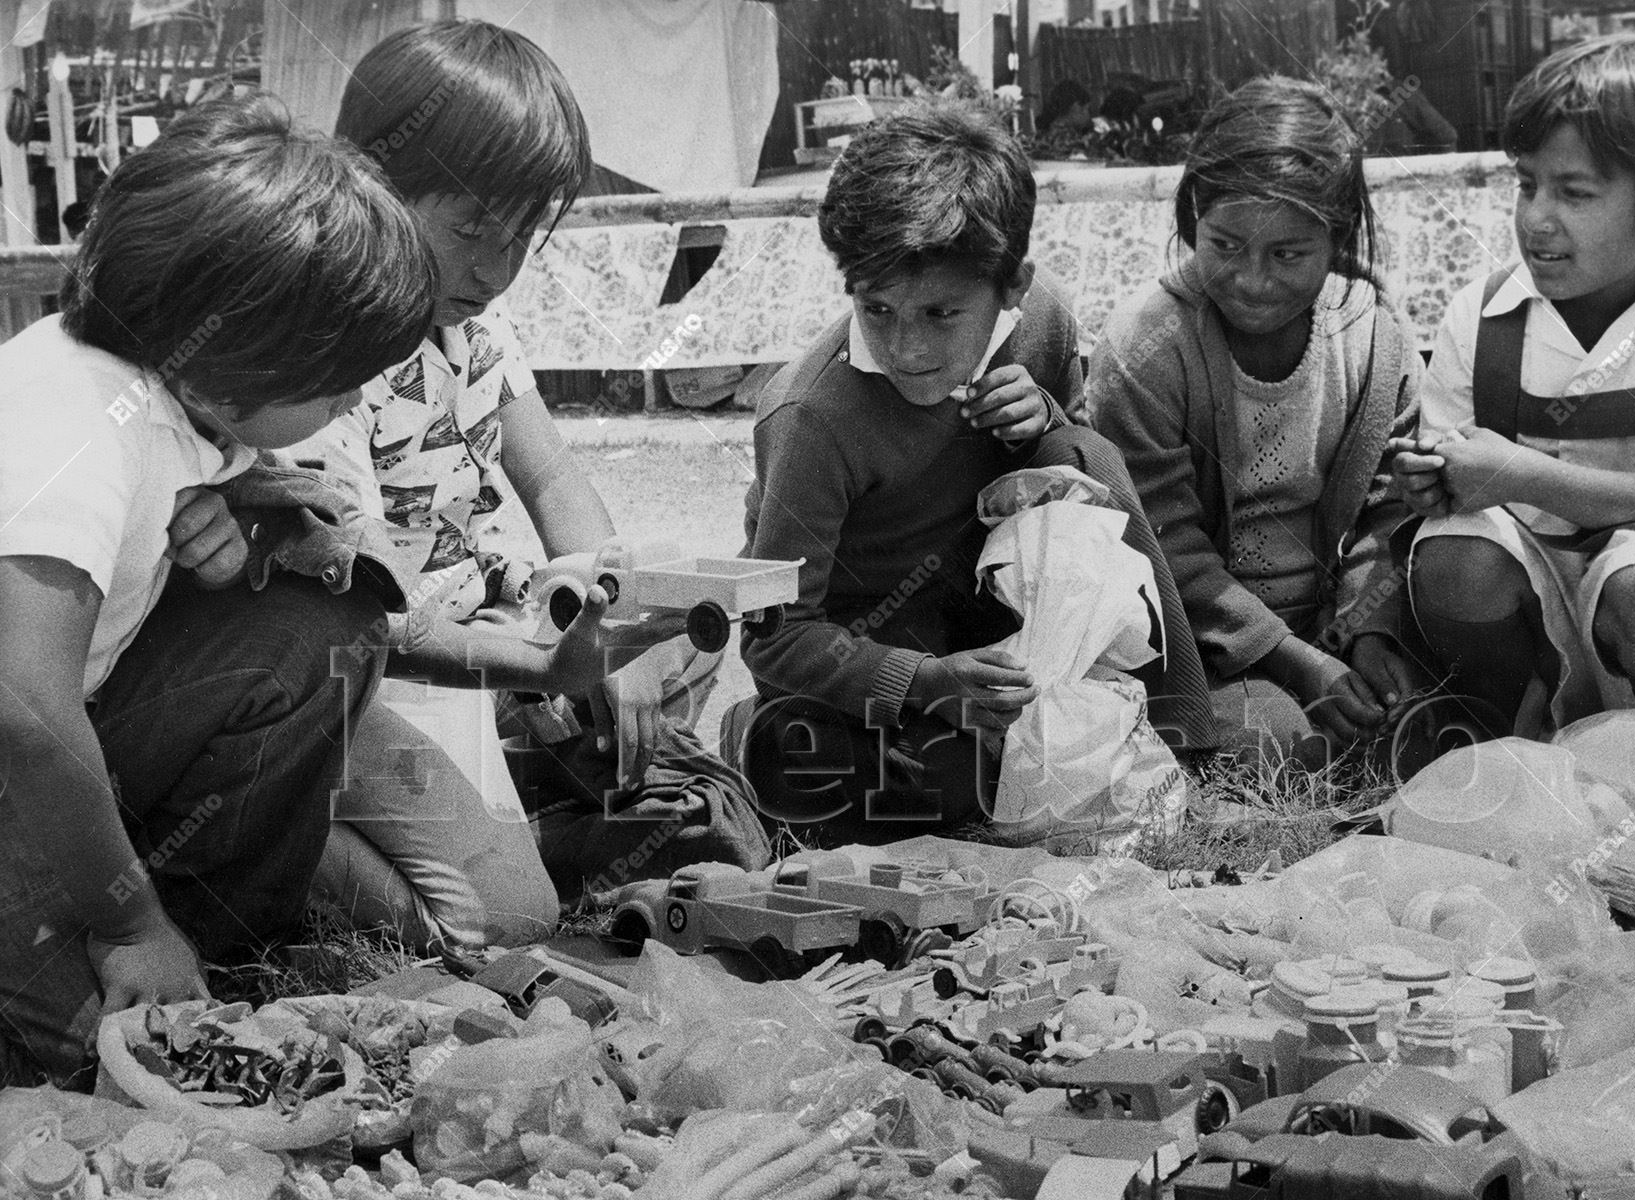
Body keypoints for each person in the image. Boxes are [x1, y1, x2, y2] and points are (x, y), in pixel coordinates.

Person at [298, 20, 767, 955]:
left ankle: (529, 792)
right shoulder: (323, 348)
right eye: (471, 229)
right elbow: (382, 621)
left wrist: (613, 613)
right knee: (512, 919)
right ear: (371, 185)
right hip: (381, 672)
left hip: (481, 641)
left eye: (521, 237)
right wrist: (562, 668)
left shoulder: (473, 330)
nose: (497, 267)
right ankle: (273, 840)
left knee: (689, 614)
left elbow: (552, 477)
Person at [0, 96, 435, 1085]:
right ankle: (130, 949)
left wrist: (255, 513)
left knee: (318, 622)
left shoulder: (178, 395)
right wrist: (126, 918)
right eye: (336, 382)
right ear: (233, 358)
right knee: (100, 1076)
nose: (353, 402)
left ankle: (192, 946)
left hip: (54, 759)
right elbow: (25, 712)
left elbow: (312, 520)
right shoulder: (68, 421)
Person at [733, 101, 1216, 843]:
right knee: (888, 772)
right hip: (868, 641)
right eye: (878, 309)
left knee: (1084, 456)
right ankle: (753, 740)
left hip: (987, 612)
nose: (906, 348)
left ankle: (1182, 733)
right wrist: (923, 683)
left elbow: (1088, 492)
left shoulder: (1043, 320)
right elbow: (773, 637)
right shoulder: (814, 420)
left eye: (939, 314)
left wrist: (1046, 419)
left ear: (1012, 286)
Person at [1394, 35, 1635, 738]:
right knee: (1451, 553)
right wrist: (1434, 478)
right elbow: (1451, 473)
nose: (1537, 217)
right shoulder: (1480, 313)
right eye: (1527, 183)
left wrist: (1514, 472)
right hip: (1528, 579)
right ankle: (1513, 735)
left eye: (1574, 193)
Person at [1089, 77, 1425, 770]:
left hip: (1333, 626)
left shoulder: (1373, 335)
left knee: (1425, 728)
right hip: (1201, 639)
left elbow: (1386, 509)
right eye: (1226, 244)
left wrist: (1366, 632)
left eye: (1288, 254)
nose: (1253, 279)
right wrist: (1299, 665)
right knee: (1280, 746)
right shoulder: (1146, 347)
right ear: (1191, 222)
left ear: (1335, 239)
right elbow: (1164, 546)